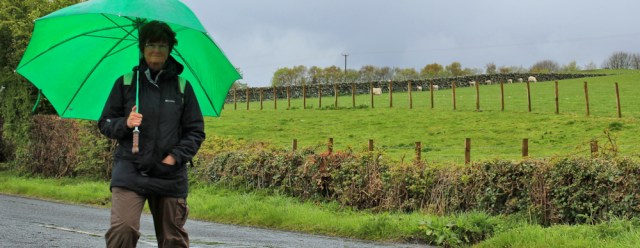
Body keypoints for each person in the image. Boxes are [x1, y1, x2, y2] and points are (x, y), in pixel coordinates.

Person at [98, 20, 205, 248]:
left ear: (169, 49)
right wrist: (125, 123)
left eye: (162, 45)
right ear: (142, 48)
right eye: (150, 44)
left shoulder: (182, 88)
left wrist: (174, 157)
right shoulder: (126, 83)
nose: (156, 50)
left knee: (172, 239)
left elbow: (195, 131)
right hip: (130, 170)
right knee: (122, 231)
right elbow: (106, 123)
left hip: (169, 175)